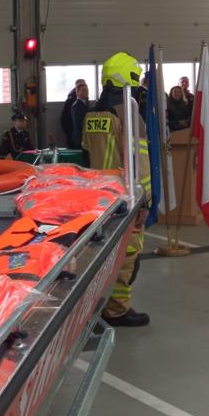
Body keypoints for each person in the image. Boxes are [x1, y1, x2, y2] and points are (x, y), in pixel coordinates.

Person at [82, 51, 151, 328]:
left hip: (97, 196)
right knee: (128, 254)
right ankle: (117, 309)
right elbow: (140, 161)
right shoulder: (128, 112)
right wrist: (144, 202)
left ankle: (98, 305)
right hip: (126, 196)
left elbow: (86, 152)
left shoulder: (92, 113)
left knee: (101, 254)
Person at [60, 78, 87, 146]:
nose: (85, 90)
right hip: (75, 137)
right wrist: (70, 134)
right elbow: (64, 119)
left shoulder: (85, 101)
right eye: (81, 87)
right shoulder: (71, 102)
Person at [69, 80, 90, 149]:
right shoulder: (76, 106)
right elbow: (78, 123)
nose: (86, 92)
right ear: (77, 92)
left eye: (87, 90)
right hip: (79, 137)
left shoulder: (87, 104)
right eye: (84, 90)